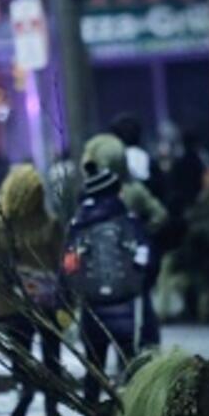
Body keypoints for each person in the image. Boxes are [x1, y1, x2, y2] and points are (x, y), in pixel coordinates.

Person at [62, 163, 150, 416]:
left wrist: (69, 294)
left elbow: (68, 264)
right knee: (129, 364)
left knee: (94, 367)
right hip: (125, 303)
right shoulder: (129, 222)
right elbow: (146, 256)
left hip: (93, 307)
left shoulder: (79, 224)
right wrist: (139, 283)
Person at [0, 164, 68, 416]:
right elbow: (61, 263)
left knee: (20, 352)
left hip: (13, 302)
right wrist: (68, 301)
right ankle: (51, 409)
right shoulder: (49, 224)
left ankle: (25, 388)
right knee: (51, 354)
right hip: (47, 300)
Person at [82, 133, 168, 346]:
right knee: (142, 317)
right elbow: (160, 215)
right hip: (132, 267)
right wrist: (143, 232)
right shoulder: (134, 190)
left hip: (101, 271)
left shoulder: (90, 195)